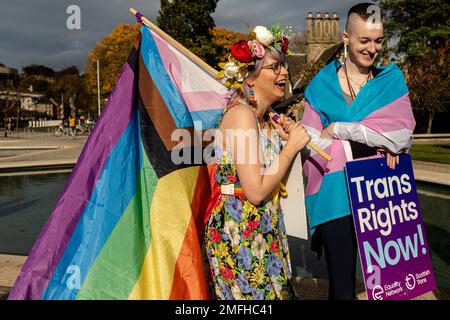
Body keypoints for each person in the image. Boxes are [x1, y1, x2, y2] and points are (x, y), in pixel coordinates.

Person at [295, 3, 416, 300]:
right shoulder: (320, 85)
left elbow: (400, 136)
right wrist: (374, 141)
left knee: (395, 284)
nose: (372, 49)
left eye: (377, 41)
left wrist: (338, 129)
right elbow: (309, 143)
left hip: (382, 190)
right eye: (364, 40)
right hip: (335, 193)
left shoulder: (391, 81)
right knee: (343, 288)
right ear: (346, 37)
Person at [203, 24, 311, 300]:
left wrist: (287, 144)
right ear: (250, 78)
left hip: (263, 227)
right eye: (275, 67)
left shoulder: (265, 120)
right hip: (239, 234)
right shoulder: (242, 116)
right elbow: (255, 190)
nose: (284, 72)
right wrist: (290, 150)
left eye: (284, 66)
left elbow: (275, 179)